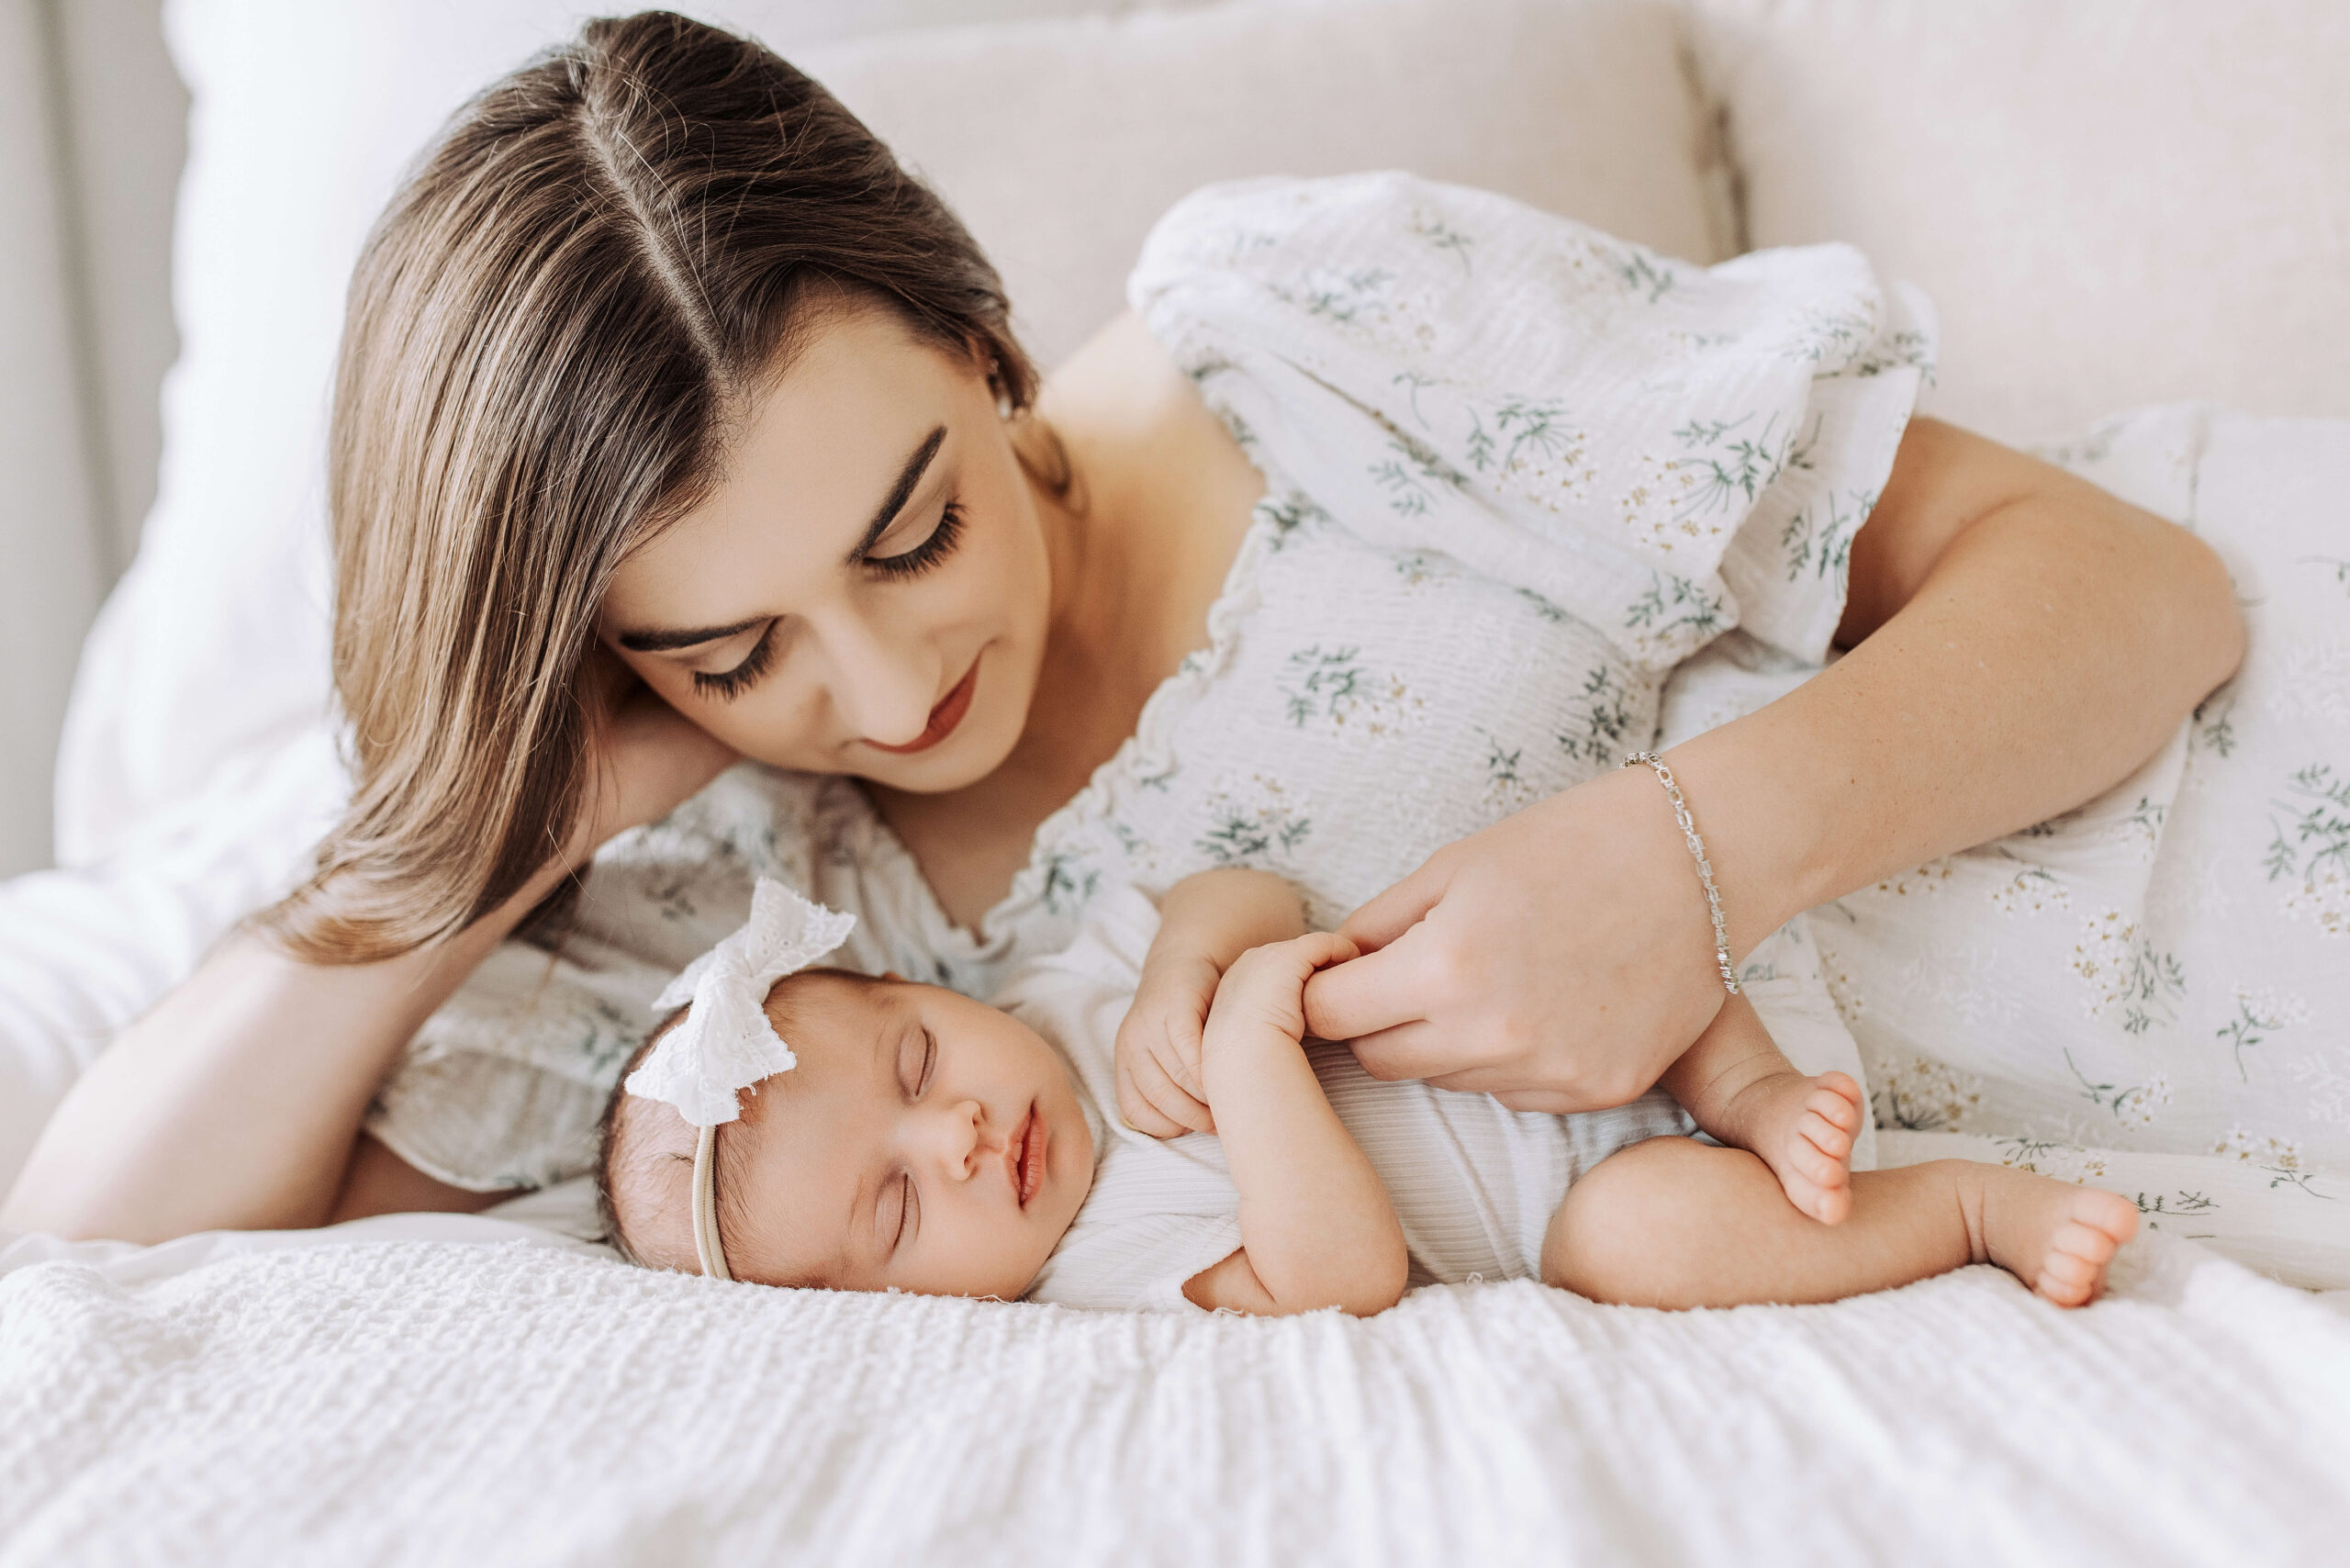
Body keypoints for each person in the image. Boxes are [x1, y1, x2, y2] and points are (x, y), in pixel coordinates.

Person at [0, 12, 2239, 1245]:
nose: (885, 696)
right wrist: (538, 794)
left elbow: (2134, 596)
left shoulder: (1302, 334)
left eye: (907, 530)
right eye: (732, 642)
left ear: (981, 338)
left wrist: (1686, 854)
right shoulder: (744, 930)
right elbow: (89, 1238)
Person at [599, 873, 2139, 1315]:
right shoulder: (1103, 1275)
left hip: (1599, 1007)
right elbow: (1340, 1273)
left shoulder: (1076, 1000)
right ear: (904, 1307)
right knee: (1632, 1241)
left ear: (926, 992)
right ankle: (1963, 1209)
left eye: (919, 1062)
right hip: (1612, 1189)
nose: (958, 1137)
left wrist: (1185, 973)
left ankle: (1744, 1081)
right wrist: (1251, 1053)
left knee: (1520, 919)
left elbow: (1239, 886)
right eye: (896, 1208)